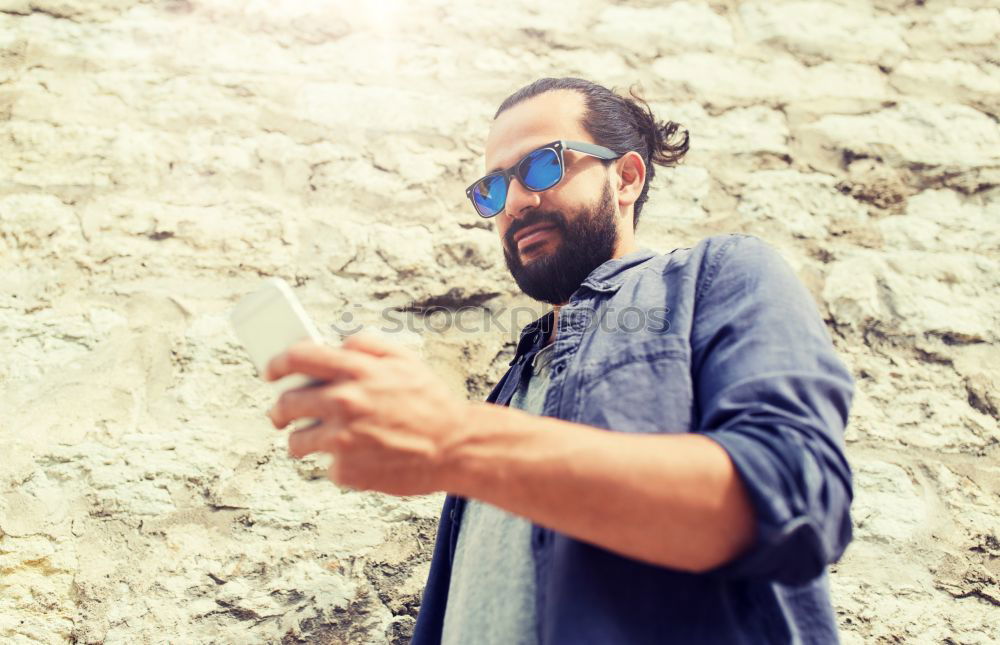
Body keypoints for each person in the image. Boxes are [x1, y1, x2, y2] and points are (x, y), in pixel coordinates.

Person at [263, 77, 855, 644]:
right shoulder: (515, 384)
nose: (515, 202)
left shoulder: (720, 274)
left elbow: (796, 499)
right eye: (492, 189)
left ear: (625, 177)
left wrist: (456, 441)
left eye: (544, 164)